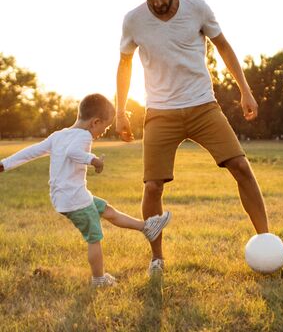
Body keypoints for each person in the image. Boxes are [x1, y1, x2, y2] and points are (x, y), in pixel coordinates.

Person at [115, 0, 283, 274]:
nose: (159, 4)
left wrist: (245, 89)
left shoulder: (198, 9)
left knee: (242, 167)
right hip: (160, 111)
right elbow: (124, 63)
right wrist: (120, 110)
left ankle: (270, 244)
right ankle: (157, 258)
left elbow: (224, 47)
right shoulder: (133, 20)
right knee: (152, 187)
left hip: (203, 105)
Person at [0, 94, 172, 287]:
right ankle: (99, 279)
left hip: (66, 197)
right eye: (105, 127)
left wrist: (4, 164)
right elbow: (73, 152)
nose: (103, 132)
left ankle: (147, 227)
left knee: (106, 210)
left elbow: (32, 151)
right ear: (94, 122)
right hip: (75, 199)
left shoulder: (59, 135)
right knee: (94, 237)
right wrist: (94, 160)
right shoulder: (84, 136)